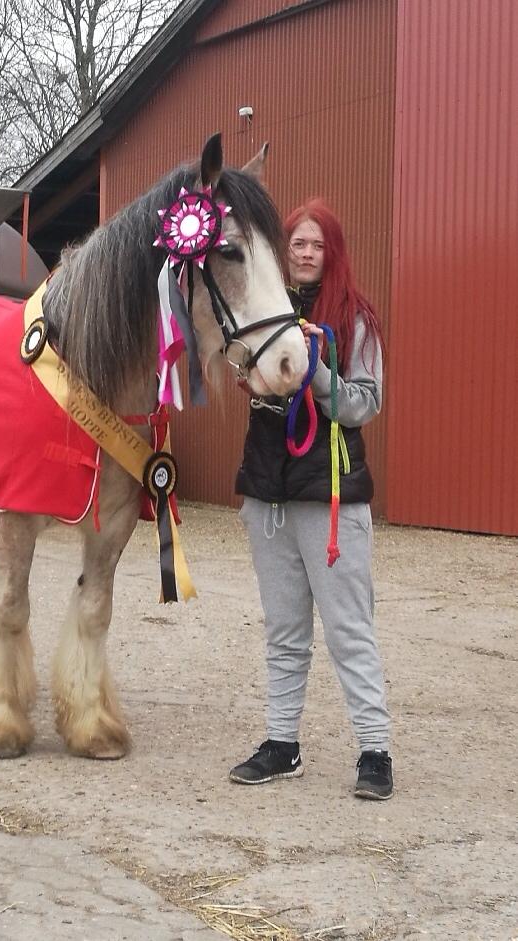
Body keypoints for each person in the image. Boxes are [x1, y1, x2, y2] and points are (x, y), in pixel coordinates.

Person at [229, 198, 393, 800]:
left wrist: (315, 373)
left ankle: (374, 750)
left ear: (333, 251)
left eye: (316, 244)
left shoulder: (355, 318)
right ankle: (282, 743)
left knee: (349, 629)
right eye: (296, 243)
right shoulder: (262, 311)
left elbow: (364, 403)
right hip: (269, 493)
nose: (305, 253)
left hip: (330, 496)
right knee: (284, 629)